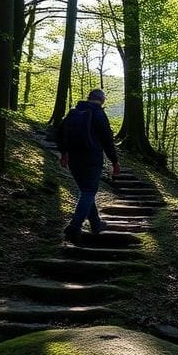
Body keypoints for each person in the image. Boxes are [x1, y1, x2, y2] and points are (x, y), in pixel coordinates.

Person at [56, 88, 120, 243]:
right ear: (102, 99)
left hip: (74, 159)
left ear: (89, 97)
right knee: (89, 191)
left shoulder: (73, 112)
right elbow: (107, 141)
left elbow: (59, 133)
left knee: (85, 191)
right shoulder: (98, 114)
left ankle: (96, 224)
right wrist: (115, 161)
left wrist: (64, 153)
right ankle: (74, 226)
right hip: (92, 159)